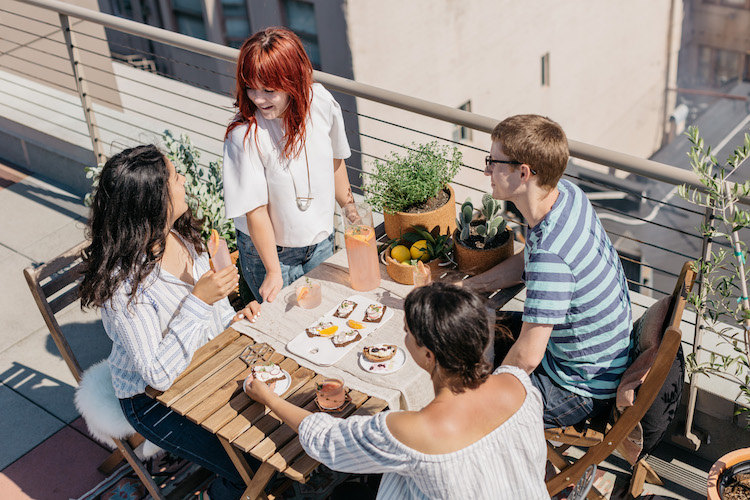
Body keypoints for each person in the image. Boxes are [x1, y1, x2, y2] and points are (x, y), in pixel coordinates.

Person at [244, 283, 548, 499]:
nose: (404, 338)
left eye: (406, 333)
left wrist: (269, 397)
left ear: (429, 354)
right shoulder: (518, 383)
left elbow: (326, 441)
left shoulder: (410, 429)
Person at [79, 145, 262, 500]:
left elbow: (217, 315)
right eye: (175, 178)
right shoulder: (124, 287)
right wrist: (199, 300)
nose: (183, 181)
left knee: (272, 428)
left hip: (204, 368)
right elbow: (157, 376)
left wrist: (235, 318)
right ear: (153, 200)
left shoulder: (178, 235)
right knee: (250, 471)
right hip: (154, 401)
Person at [462, 114, 632, 429]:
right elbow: (530, 259)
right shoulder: (566, 196)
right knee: (464, 329)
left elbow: (527, 357)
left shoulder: (550, 256)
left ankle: (538, 473)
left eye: (493, 162)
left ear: (523, 173)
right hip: (598, 358)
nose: (487, 170)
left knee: (471, 415)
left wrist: (485, 399)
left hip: (578, 388)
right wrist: (472, 288)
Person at [223, 27, 354, 304]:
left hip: (320, 239)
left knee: (325, 314)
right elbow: (255, 210)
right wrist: (272, 270)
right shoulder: (243, 134)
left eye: (269, 90)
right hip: (271, 253)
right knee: (285, 333)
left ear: (293, 79)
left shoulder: (320, 101)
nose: (257, 99)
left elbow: (335, 160)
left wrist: (350, 208)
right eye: (250, 87)